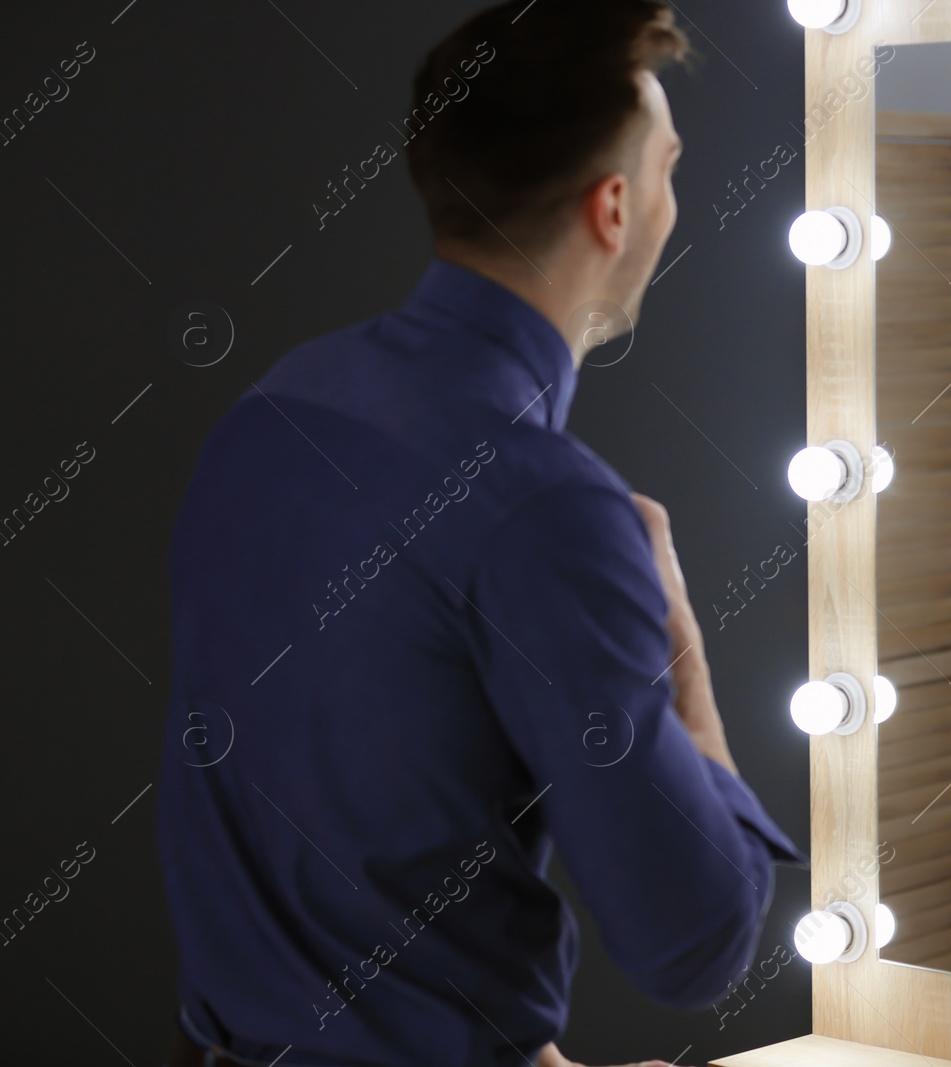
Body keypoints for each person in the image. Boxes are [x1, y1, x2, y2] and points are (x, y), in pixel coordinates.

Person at [157, 3, 805, 1065]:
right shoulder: (540, 504)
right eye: (669, 168)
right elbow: (697, 941)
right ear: (612, 209)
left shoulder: (272, 410)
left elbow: (339, 827)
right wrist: (681, 646)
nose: (671, 201)